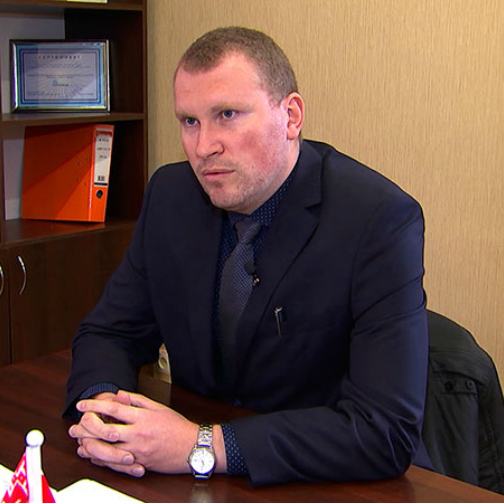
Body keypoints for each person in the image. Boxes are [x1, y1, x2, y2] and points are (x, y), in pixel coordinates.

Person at [64, 26, 431, 486]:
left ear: (291, 116)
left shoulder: (377, 219)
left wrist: (204, 445)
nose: (204, 147)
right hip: (191, 481)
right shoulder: (171, 196)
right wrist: (106, 414)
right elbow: (110, 332)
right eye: (190, 121)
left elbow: (384, 431)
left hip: (328, 483)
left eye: (227, 115)